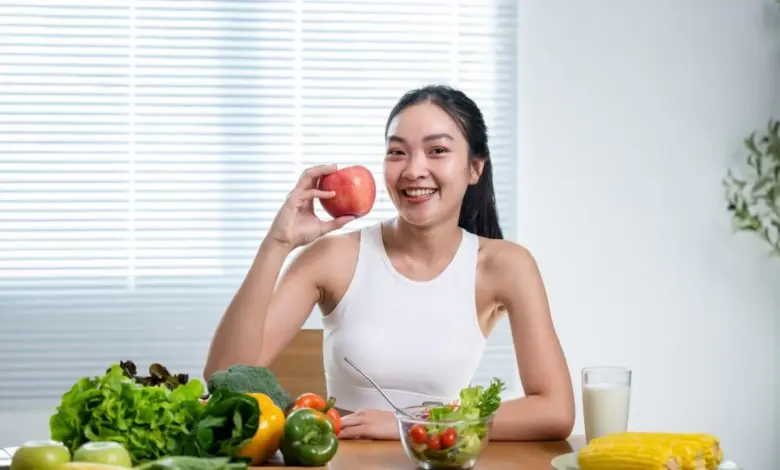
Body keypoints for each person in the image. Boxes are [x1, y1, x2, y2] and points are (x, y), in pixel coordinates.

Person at [204, 85, 575, 441]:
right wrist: (277, 243)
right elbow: (223, 375)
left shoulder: (505, 265)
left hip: (436, 458)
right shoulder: (334, 258)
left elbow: (555, 411)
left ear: (475, 169)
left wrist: (412, 423)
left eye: (437, 151)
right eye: (397, 152)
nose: (414, 170)